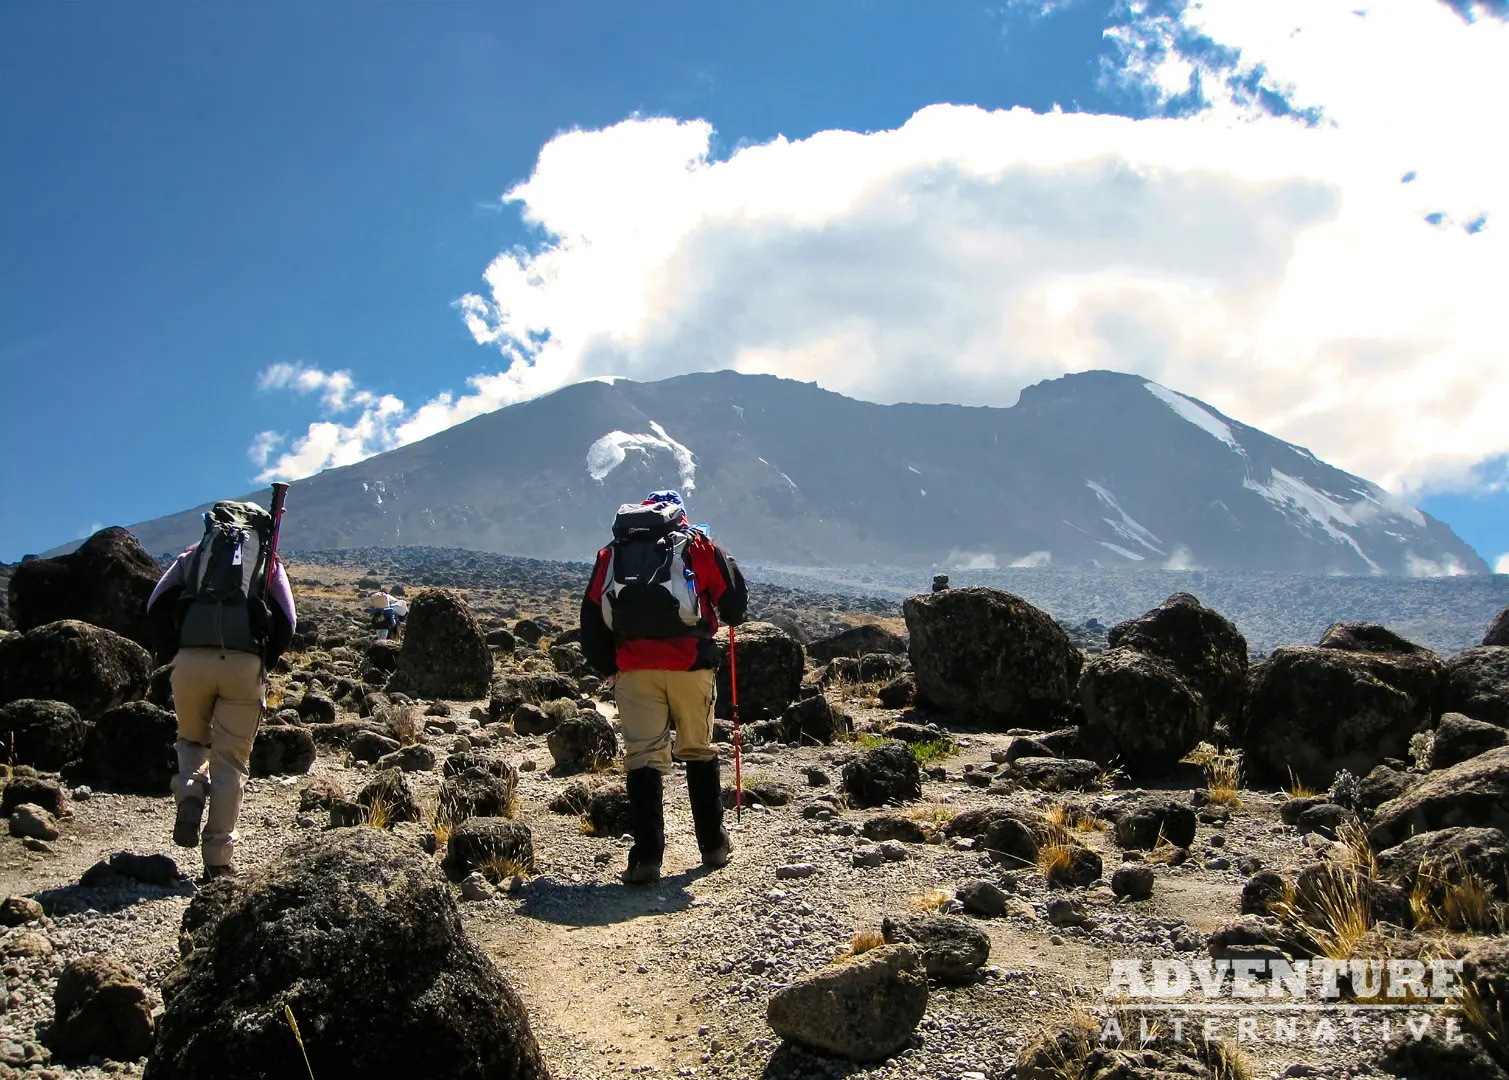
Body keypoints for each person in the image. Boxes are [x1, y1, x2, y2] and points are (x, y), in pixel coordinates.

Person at [580, 490, 747, 885]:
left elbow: (591, 617)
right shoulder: (699, 545)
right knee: (698, 749)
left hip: (635, 669)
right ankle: (713, 845)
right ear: (679, 517)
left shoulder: (612, 554)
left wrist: (609, 668)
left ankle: (646, 858)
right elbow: (734, 605)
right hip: (691, 667)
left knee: (643, 758)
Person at [146, 501, 295, 880]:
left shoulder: (193, 557)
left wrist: (176, 650)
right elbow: (288, 622)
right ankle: (217, 861)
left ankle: (190, 789)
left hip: (191, 662)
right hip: (244, 667)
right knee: (230, 763)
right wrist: (263, 661)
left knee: (190, 740)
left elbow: (155, 604)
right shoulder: (267, 563)